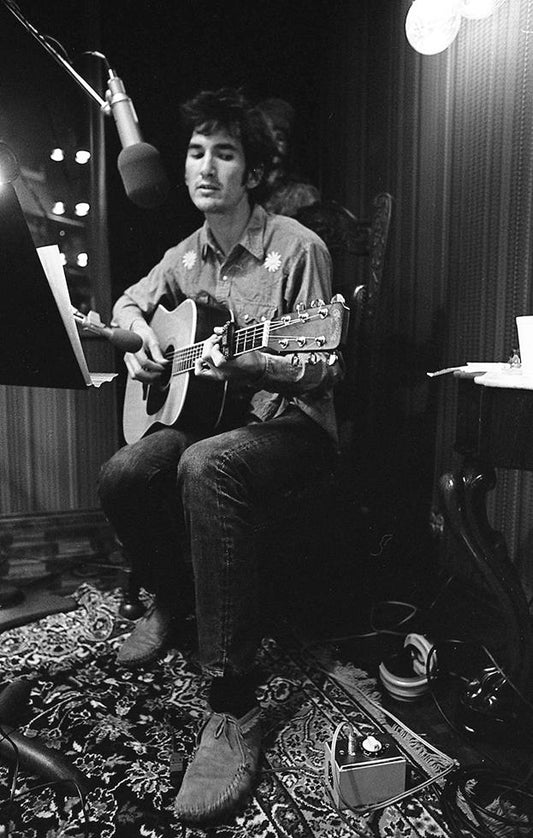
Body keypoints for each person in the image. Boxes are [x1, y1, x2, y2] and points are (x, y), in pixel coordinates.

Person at [98, 87, 343, 824]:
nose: (204, 166)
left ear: (252, 172)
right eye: (196, 152)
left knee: (205, 467)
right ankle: (172, 599)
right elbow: (128, 308)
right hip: (215, 419)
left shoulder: (297, 248)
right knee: (125, 471)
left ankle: (232, 705)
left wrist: (256, 365)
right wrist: (141, 338)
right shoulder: (185, 254)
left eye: (224, 154)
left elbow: (321, 360)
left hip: (291, 426)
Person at [257, 97, 320, 217]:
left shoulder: (302, 196)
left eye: (280, 138)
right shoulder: (245, 191)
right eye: (267, 137)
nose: (273, 146)